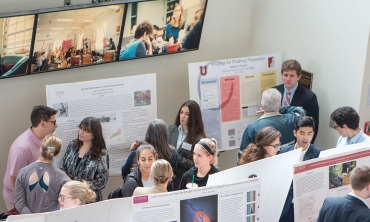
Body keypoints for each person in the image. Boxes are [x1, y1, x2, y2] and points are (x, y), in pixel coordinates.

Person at [3, 105, 58, 211]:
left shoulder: (42, 139)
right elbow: (14, 180)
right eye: (54, 123)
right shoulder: (22, 148)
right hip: (19, 199)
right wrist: (21, 207)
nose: (56, 126)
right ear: (42, 123)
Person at [279, 117, 323, 222]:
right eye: (302, 133)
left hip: (307, 207)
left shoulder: (319, 154)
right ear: (295, 133)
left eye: (309, 133)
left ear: (313, 134)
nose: (305, 137)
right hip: (285, 207)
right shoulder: (284, 151)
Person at [239, 88, 304, 157]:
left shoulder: (252, 128)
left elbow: (242, 156)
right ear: (280, 105)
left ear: (261, 105)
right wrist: (280, 108)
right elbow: (300, 111)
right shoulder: (291, 120)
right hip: (288, 164)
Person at [14, 134, 68, 214]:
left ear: (41, 146)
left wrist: (32, 218)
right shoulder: (61, 176)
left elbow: (19, 203)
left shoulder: (23, 172)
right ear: (57, 153)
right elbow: (62, 204)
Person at [60, 117, 109, 202]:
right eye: (80, 128)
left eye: (86, 131)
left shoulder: (101, 153)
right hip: (69, 195)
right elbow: (62, 168)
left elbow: (102, 181)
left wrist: (79, 186)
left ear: (94, 134)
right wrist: (70, 183)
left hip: (88, 198)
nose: (81, 132)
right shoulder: (72, 145)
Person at [274, 59, 319, 143]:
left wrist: (306, 147)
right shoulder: (274, 91)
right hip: (275, 140)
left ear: (299, 77)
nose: (287, 78)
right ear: (281, 75)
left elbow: (313, 126)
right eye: (285, 75)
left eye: (291, 76)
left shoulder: (309, 97)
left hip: (296, 142)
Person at [168, 100, 206, 189]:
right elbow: (160, 145)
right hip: (169, 180)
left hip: (184, 181)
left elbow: (196, 164)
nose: (182, 116)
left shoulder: (198, 138)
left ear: (193, 117)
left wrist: (177, 157)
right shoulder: (171, 130)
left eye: (187, 114)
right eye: (181, 112)